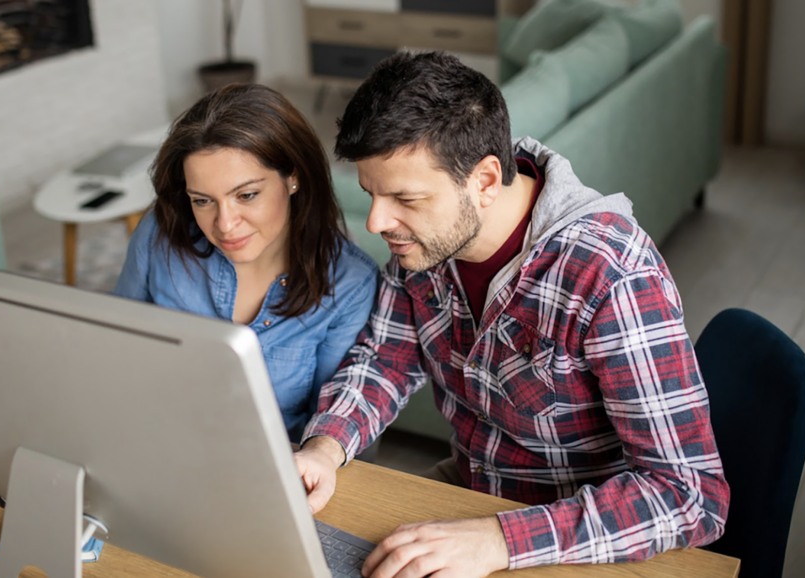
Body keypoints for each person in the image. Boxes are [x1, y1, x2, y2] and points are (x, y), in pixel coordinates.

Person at [294, 51, 730, 576]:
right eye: (371, 194)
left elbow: (689, 496)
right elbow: (386, 359)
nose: (377, 222)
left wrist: (499, 540)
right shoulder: (427, 241)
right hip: (473, 493)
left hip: (580, 537)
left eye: (404, 198)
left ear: (483, 180)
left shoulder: (611, 273)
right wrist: (325, 446)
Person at [113, 83, 379, 443]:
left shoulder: (350, 283)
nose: (224, 224)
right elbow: (114, 351)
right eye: (202, 200)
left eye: (247, 195)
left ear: (294, 176)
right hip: (156, 443)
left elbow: (335, 430)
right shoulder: (160, 234)